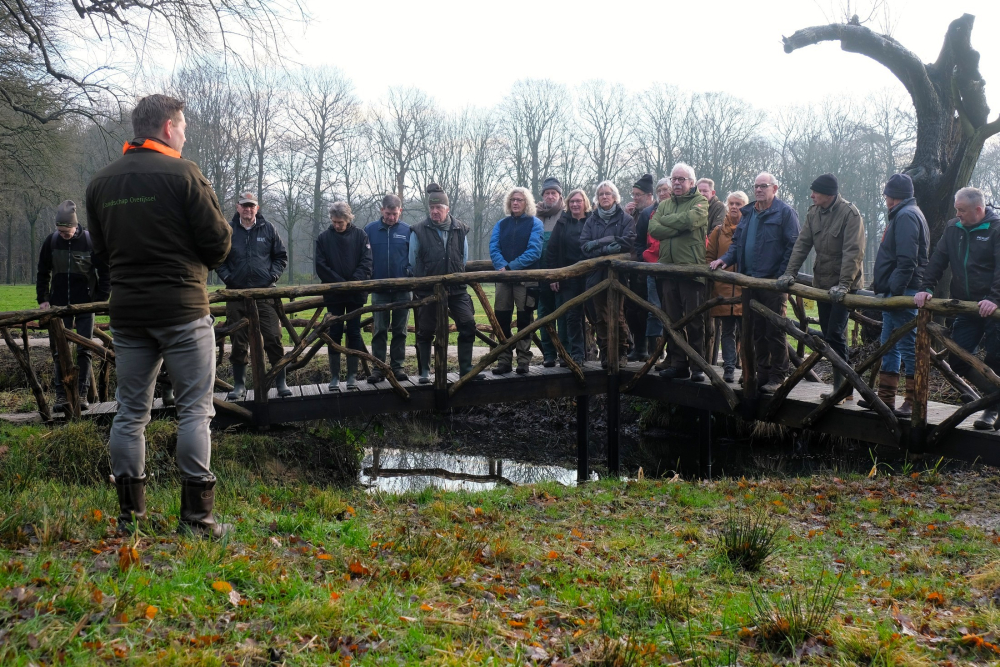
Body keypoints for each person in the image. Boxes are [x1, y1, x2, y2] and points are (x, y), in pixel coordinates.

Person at [85, 94, 233, 537]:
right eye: (183, 126)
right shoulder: (185, 174)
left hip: (127, 313)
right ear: (168, 128)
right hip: (183, 309)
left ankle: (130, 517)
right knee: (194, 410)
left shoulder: (100, 184)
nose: (185, 134)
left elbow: (100, 253)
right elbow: (219, 245)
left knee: (130, 412)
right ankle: (197, 519)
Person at [914, 186, 1000, 429]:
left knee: (996, 359)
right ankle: (995, 400)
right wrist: (926, 287)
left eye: (961, 210)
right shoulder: (954, 229)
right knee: (958, 359)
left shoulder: (996, 230)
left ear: (979, 210)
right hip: (966, 306)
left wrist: (994, 298)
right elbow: (938, 260)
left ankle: (990, 411)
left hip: (994, 308)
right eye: (956, 209)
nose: (957, 213)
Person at [710, 172, 800, 393]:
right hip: (749, 281)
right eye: (756, 186)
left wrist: (782, 275)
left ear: (775, 188)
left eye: (764, 186)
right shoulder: (748, 213)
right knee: (756, 330)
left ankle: (778, 376)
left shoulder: (785, 213)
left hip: (772, 284)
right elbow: (737, 244)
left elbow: (794, 246)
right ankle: (762, 373)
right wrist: (724, 259)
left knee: (775, 330)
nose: (758, 190)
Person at [778, 174, 865, 401]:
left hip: (844, 286)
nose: (811, 195)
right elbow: (802, 244)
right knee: (829, 334)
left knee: (836, 334)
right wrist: (790, 273)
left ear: (828, 194)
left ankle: (842, 387)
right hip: (822, 284)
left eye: (815, 192)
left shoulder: (849, 214)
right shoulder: (813, 212)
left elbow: (853, 253)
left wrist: (844, 285)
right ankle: (843, 387)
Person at [862, 174, 929, 417]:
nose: (885, 199)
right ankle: (886, 399)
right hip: (896, 291)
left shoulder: (906, 216)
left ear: (894, 197)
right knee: (889, 343)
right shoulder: (905, 214)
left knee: (908, 345)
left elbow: (907, 260)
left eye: (887, 195)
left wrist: (896, 291)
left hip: (903, 291)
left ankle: (913, 402)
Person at [36, 200, 111, 413]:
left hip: (85, 305)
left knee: (84, 350)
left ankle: (81, 395)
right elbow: (43, 272)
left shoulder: (90, 242)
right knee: (60, 352)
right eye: (60, 231)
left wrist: (99, 299)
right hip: (58, 306)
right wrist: (43, 299)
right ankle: (61, 396)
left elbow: (105, 273)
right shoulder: (50, 242)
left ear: (75, 227)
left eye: (67, 231)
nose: (63, 235)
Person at [215, 191, 290, 400]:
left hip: (265, 294)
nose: (248, 209)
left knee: (274, 338)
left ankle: (280, 381)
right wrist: (229, 278)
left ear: (257, 208)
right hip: (236, 295)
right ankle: (239, 385)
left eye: (252, 206)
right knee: (238, 341)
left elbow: (281, 256)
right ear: (238, 207)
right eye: (244, 205)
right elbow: (218, 259)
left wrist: (272, 275)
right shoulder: (228, 231)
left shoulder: (268, 229)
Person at [410, 183, 484, 383]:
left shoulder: (460, 228)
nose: (435, 212)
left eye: (439, 208)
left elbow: (464, 257)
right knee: (425, 330)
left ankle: (466, 368)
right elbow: (412, 260)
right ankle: (425, 371)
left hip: (457, 288)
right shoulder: (418, 230)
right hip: (428, 290)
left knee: (468, 323)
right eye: (432, 208)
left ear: (447, 209)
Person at [648, 162, 710, 381]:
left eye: (681, 179)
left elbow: (691, 220)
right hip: (667, 269)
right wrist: (678, 225)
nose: (676, 182)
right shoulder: (664, 205)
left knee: (694, 321)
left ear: (691, 182)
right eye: (674, 179)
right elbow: (653, 228)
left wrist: (667, 224)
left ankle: (698, 366)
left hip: (691, 271)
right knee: (671, 320)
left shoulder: (700, 201)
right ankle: (678, 363)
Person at [315, 201, 372, 390]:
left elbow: (366, 262)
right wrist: (339, 283)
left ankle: (352, 376)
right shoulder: (324, 238)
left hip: (355, 294)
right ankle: (334, 377)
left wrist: (352, 283)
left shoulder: (360, 236)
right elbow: (321, 266)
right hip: (334, 294)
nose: (337, 225)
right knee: (335, 332)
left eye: (340, 222)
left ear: (348, 219)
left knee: (354, 332)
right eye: (334, 222)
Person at [580, 180, 635, 366]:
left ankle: (621, 352)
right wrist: (606, 248)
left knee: (617, 315)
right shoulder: (591, 220)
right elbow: (584, 246)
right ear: (597, 198)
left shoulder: (625, 218)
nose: (604, 196)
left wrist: (598, 243)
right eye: (601, 194)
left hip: (618, 276)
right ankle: (605, 352)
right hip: (596, 276)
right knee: (599, 316)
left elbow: (628, 242)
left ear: (615, 197)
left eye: (608, 193)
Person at [490, 187, 544, 374]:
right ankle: (504, 360)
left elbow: (534, 251)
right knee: (502, 319)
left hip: (526, 280)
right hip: (504, 280)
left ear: (526, 202)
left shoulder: (535, 223)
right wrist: (502, 267)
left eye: (520, 200)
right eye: (513, 199)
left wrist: (511, 268)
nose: (515, 202)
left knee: (524, 320)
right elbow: (494, 247)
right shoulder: (501, 224)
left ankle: (523, 360)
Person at [364, 195, 412, 383]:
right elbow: (365, 257)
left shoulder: (408, 230)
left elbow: (414, 256)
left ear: (401, 211)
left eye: (395, 213)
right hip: (379, 288)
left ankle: (397, 367)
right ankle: (378, 368)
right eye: (388, 213)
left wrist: (409, 273)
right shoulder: (370, 230)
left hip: (403, 289)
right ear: (381, 210)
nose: (391, 217)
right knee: (379, 330)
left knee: (400, 330)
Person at [705, 191, 748, 383]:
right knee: (727, 331)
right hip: (722, 289)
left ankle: (748, 370)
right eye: (731, 203)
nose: (734, 207)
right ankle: (729, 368)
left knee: (747, 332)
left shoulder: (749, 229)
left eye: (738, 204)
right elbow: (709, 257)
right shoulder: (718, 231)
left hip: (744, 289)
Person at [546, 189, 591, 364]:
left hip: (591, 276)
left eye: (578, 201)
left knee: (596, 315)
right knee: (572, 316)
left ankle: (605, 354)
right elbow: (552, 250)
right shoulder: (562, 222)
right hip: (568, 276)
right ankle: (577, 354)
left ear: (584, 202)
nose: (575, 204)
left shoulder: (592, 220)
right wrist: (554, 276)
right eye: (572, 201)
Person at [625, 173, 656, 361]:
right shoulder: (632, 213)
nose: (635, 198)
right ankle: (639, 348)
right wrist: (626, 215)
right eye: (634, 194)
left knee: (648, 310)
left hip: (647, 266)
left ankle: (653, 351)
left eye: (639, 195)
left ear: (649, 195)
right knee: (632, 310)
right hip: (633, 268)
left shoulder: (654, 211)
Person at [643, 178, 672, 369]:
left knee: (672, 312)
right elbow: (641, 239)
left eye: (665, 189)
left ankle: (673, 354)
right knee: (654, 310)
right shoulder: (650, 213)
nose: (662, 193)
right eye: (659, 190)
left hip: (672, 269)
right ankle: (655, 353)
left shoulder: (679, 211)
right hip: (653, 266)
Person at [535, 177, 565, 366]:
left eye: (554, 193)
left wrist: (557, 274)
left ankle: (565, 353)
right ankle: (549, 354)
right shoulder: (536, 215)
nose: (550, 196)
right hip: (539, 275)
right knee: (543, 315)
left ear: (560, 195)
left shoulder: (566, 214)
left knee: (562, 315)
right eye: (547, 193)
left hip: (561, 274)